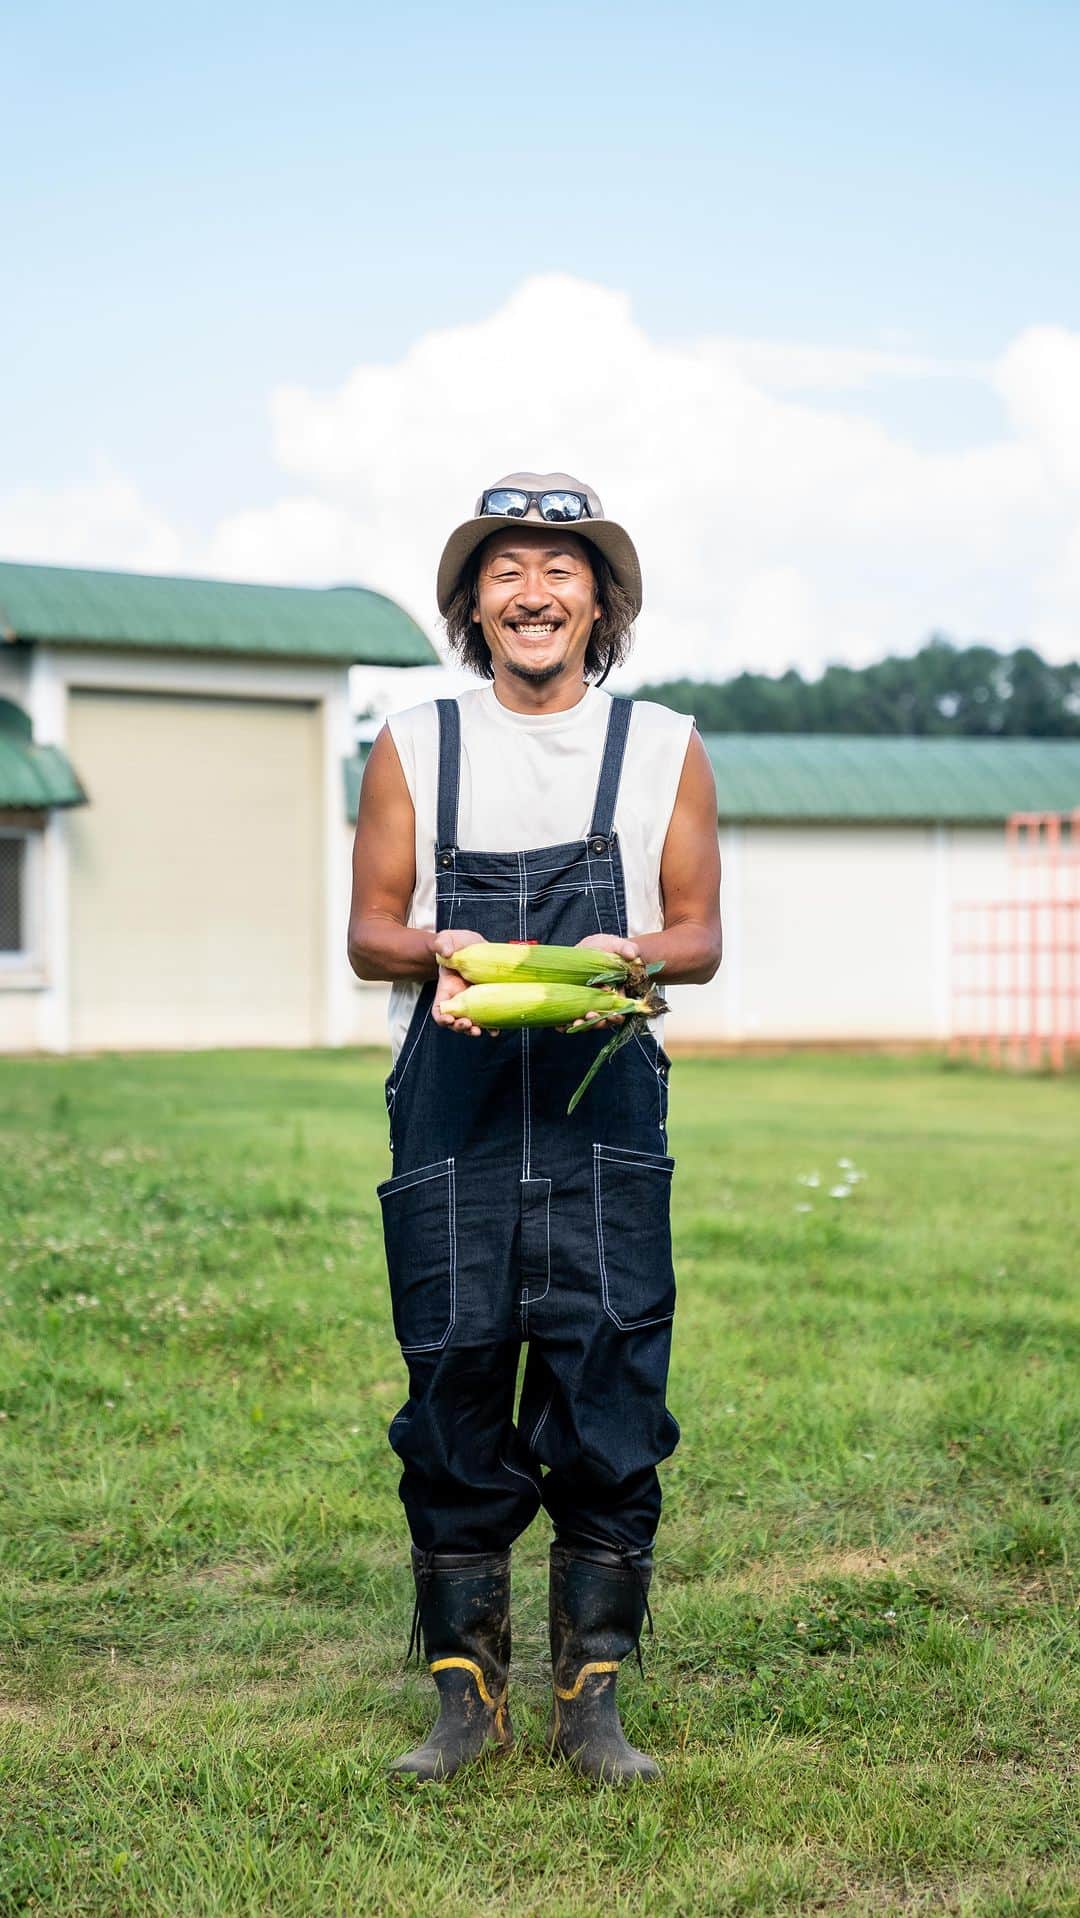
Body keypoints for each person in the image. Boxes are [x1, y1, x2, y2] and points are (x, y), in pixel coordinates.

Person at [348, 472, 722, 1783]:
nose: (534, 590)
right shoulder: (416, 742)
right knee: (451, 1385)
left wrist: (636, 954)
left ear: (599, 600)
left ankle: (592, 1695)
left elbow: (703, 936)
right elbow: (368, 929)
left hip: (599, 1120)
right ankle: (465, 1695)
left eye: (561, 568)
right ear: (472, 605)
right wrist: (434, 947)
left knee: (609, 1386)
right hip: (451, 1114)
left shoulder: (664, 746)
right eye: (506, 568)